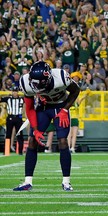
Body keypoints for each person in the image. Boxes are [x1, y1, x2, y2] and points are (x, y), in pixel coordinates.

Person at [13, 61, 80, 191]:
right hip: (43, 108)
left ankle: (66, 182)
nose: (36, 87)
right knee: (32, 140)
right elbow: (30, 107)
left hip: (60, 106)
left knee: (62, 141)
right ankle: (27, 182)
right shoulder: (26, 82)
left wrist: (65, 109)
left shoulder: (61, 76)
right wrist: (36, 130)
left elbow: (76, 91)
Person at [0, 86, 24, 155]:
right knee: (8, 134)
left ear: (18, 92)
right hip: (10, 118)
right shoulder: (8, 99)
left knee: (19, 134)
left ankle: (20, 151)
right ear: (12, 92)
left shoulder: (22, 99)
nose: (15, 93)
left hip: (18, 118)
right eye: (13, 92)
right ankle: (6, 151)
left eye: (16, 92)